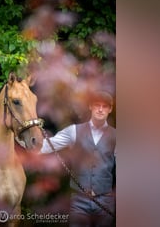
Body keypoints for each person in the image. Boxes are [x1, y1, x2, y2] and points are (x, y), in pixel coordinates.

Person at [40, 90, 116, 227]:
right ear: (90, 107)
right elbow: (45, 146)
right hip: (79, 201)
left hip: (106, 201)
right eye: (96, 105)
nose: (100, 109)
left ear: (110, 109)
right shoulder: (73, 131)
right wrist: (21, 142)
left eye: (104, 106)